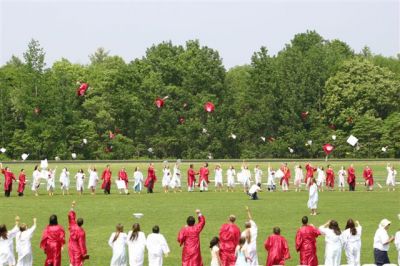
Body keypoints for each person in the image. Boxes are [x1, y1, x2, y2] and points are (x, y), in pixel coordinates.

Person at [68, 201, 89, 266]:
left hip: (70, 246)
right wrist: (84, 254)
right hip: (76, 249)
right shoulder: (81, 232)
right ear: (82, 224)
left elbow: (71, 215)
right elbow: (81, 243)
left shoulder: (72, 225)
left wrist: (72, 206)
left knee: (71, 261)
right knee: (77, 263)